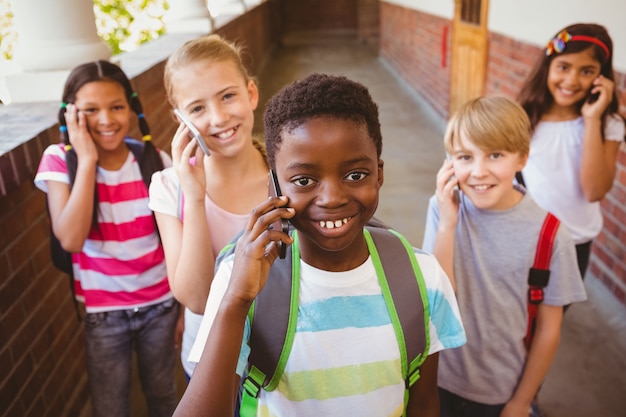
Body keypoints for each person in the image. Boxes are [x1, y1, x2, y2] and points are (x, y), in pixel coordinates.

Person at [176, 73, 467, 417]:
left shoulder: (422, 278)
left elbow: (424, 403)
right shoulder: (239, 280)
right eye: (304, 180)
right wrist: (236, 301)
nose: (331, 198)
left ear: (379, 173)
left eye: (355, 175)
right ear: (273, 184)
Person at [422, 96, 588, 417]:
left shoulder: (551, 235)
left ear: (522, 159)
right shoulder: (442, 209)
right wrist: (448, 224)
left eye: (495, 155)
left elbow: (549, 330)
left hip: (500, 391)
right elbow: (438, 299)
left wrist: (521, 401)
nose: (478, 172)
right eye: (465, 157)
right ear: (449, 163)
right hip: (437, 377)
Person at [34, 60, 178, 417]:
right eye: (90, 111)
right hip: (103, 314)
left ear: (131, 106)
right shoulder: (58, 161)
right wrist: (85, 161)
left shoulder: (156, 161)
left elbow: (180, 240)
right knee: (110, 406)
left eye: (116, 107)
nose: (106, 120)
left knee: (163, 396)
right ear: (70, 115)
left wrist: (184, 310)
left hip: (161, 305)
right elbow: (70, 238)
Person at [148, 34, 270, 380]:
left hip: (285, 357)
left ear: (250, 94)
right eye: (198, 108)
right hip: (213, 368)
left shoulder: (286, 174)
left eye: (228, 96)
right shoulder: (169, 187)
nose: (218, 118)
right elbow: (198, 299)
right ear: (179, 119)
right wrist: (195, 196)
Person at [517, 23, 625, 278]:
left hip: (573, 243)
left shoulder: (608, 125)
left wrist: (592, 119)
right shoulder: (526, 115)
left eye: (587, 71)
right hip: (525, 237)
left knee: (553, 316)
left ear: (602, 78)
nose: (572, 80)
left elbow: (594, 190)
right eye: (563, 67)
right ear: (548, 67)